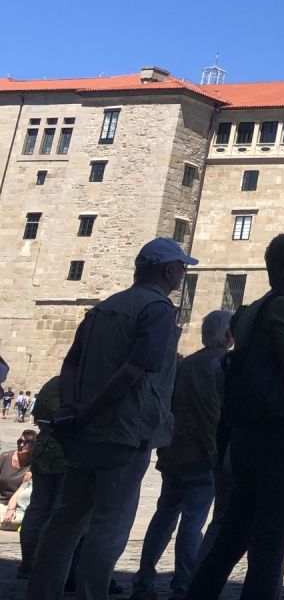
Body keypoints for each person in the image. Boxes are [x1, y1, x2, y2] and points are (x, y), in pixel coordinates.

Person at [27, 237, 195, 600]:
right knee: (109, 526)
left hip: (84, 431)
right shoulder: (158, 308)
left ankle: (41, 592)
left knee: (66, 520)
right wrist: (92, 408)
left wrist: (73, 405)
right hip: (125, 429)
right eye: (181, 267)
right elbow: (136, 369)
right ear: (168, 270)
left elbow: (70, 362)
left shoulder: (104, 307)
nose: (183, 272)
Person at [185, 232, 284, 600]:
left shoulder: (247, 312)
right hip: (277, 432)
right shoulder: (281, 308)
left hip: (245, 432)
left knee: (234, 531)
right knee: (272, 536)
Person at [130, 310, 233, 600]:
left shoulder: (185, 365)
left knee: (163, 516)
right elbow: (215, 411)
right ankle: (183, 584)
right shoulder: (224, 363)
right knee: (192, 522)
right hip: (204, 453)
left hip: (175, 452)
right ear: (227, 336)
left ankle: (144, 580)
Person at [16, 378, 65, 579]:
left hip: (43, 450)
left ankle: (27, 563)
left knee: (36, 509)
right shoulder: (84, 384)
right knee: (61, 511)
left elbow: (37, 415)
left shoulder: (52, 385)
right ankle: (50, 565)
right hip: (66, 453)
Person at [0, 428, 34, 526]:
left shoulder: (34, 464)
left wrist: (11, 509)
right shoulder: (4, 457)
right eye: (20, 441)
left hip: (20, 506)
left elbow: (23, 489)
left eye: (26, 443)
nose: (21, 445)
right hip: (2, 502)